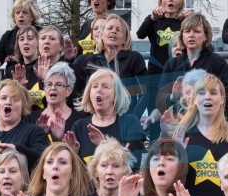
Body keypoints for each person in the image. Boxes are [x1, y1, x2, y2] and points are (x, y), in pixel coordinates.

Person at [65, 68, 146, 168]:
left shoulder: (130, 122)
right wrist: (72, 154)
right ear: (89, 94)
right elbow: (71, 170)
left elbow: (136, 162)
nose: (99, 90)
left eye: (105, 87)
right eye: (95, 86)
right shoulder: (79, 126)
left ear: (116, 94)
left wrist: (105, 145)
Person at [136, 0, 191, 139]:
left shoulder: (185, 22)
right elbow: (140, 34)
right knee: (155, 113)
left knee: (181, 113)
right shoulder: (155, 20)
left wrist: (191, 21)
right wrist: (151, 18)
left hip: (179, 75)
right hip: (156, 74)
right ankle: (155, 148)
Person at [76, 13, 148, 118]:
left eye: (118, 30)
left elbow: (145, 93)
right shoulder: (88, 60)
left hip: (124, 120)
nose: (113, 31)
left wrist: (133, 118)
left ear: (124, 39)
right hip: (95, 120)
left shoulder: (134, 58)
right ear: (101, 35)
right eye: (109, 28)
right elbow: (76, 88)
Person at [157, 13, 228, 116]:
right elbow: (160, 98)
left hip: (209, 123)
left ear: (205, 36)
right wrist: (173, 97)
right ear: (182, 36)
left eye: (196, 31)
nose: (191, 35)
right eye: (187, 31)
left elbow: (225, 96)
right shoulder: (172, 63)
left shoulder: (217, 62)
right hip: (178, 123)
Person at [175, 73, 228, 196]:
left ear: (222, 100)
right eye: (202, 93)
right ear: (194, 99)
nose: (207, 97)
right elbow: (170, 181)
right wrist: (177, 154)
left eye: (213, 92)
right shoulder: (182, 134)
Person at [24, 62, 88, 141]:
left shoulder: (81, 120)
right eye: (49, 84)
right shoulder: (30, 119)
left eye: (58, 84)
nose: (53, 88)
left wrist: (60, 138)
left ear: (68, 90)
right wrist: (39, 134)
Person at [0, 0, 41, 70]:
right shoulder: (8, 35)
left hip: (35, 71)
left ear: (32, 17)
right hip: (12, 74)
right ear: (14, 18)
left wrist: (17, 59)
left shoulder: (41, 33)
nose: (20, 15)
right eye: (17, 13)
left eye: (25, 12)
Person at [5, 25, 40, 108]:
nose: (25, 42)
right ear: (18, 44)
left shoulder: (45, 67)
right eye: (21, 39)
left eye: (30, 38)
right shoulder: (12, 71)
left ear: (38, 43)